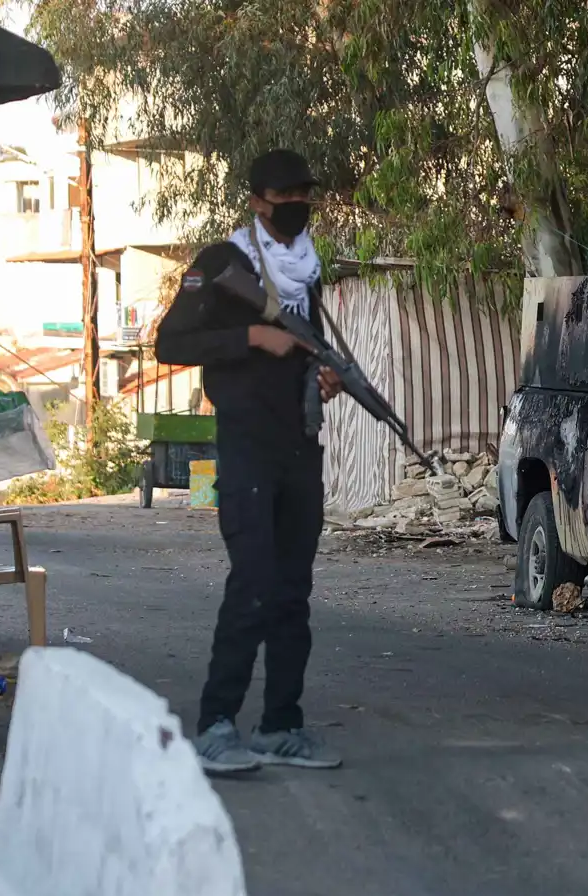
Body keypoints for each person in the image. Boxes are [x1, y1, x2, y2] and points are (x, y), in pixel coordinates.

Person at [155, 149, 344, 773]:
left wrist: (319, 376)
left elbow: (303, 350)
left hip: (298, 448)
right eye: (284, 196)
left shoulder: (305, 267)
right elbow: (169, 342)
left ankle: (280, 725)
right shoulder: (222, 264)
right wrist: (250, 338)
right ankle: (215, 725)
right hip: (246, 450)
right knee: (254, 586)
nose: (297, 205)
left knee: (293, 593)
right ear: (258, 201)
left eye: (303, 194)